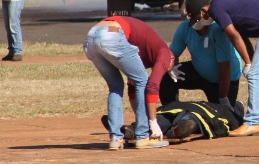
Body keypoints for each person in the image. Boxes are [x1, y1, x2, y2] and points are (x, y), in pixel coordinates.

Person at [185, 0, 259, 137]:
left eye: (198, 18)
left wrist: (249, 63)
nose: (200, 21)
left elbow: (233, 35)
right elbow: (241, 36)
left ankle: (253, 122)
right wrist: (251, 60)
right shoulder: (221, 6)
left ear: (203, 10)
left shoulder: (216, 9)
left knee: (255, 74)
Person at [83, 16, 174, 150]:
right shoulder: (165, 53)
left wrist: (140, 117)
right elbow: (152, 86)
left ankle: (116, 138)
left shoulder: (143, 52)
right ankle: (143, 137)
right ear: (172, 59)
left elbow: (132, 86)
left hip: (92, 36)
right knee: (143, 81)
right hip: (112, 34)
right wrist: (153, 122)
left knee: (116, 86)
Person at [159, 11, 242, 109]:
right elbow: (173, 53)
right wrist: (170, 67)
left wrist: (223, 97)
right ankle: (172, 113)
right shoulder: (184, 27)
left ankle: (238, 107)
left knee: (224, 116)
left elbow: (226, 66)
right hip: (199, 71)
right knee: (165, 77)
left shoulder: (218, 29)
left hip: (223, 80)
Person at [101, 100, 245, 142]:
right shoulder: (233, 117)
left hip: (184, 106)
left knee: (162, 119)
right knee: (192, 118)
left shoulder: (229, 112)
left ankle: (132, 129)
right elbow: (226, 127)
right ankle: (182, 128)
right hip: (197, 110)